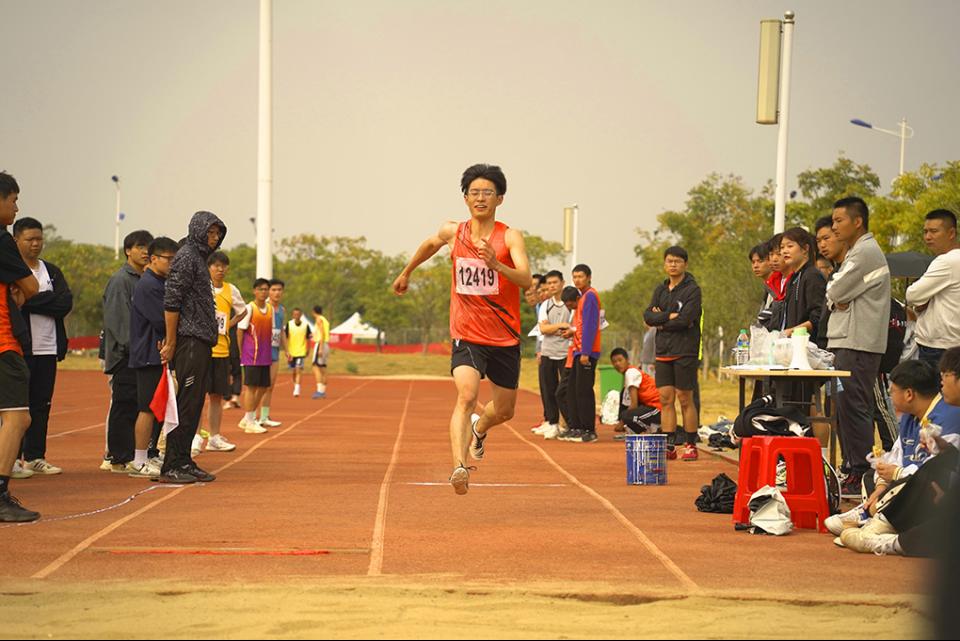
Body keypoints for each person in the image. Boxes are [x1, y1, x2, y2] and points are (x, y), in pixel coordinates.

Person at [392, 163, 532, 494]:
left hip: (504, 336)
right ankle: (458, 466)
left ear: (500, 198)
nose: (480, 198)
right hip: (467, 333)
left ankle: (480, 428)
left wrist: (496, 264)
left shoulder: (510, 236)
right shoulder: (454, 232)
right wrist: (406, 272)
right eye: (474, 192)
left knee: (505, 412)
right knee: (467, 394)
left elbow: (525, 279)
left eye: (487, 193)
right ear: (465, 197)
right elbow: (429, 244)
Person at [826, 359, 960, 537]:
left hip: (933, 490)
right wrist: (882, 484)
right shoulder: (910, 416)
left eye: (892, 391)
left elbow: (937, 470)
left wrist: (896, 474)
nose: (890, 395)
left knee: (916, 482)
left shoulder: (949, 417)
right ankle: (872, 514)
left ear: (909, 394)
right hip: (904, 483)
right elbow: (895, 455)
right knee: (870, 474)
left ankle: (875, 517)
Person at [826, 197, 892, 496]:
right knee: (844, 406)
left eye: (839, 220)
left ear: (857, 221)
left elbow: (836, 289)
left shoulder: (864, 252)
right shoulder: (856, 252)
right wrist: (836, 295)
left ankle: (862, 472)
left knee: (855, 406)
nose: (834, 226)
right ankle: (853, 469)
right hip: (847, 340)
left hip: (858, 342)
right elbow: (835, 295)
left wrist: (837, 294)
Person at [157, 211, 226, 484]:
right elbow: (172, 301)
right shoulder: (186, 256)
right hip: (189, 341)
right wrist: (172, 342)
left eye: (218, 232)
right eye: (210, 232)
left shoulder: (198, 258)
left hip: (200, 341)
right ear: (197, 229)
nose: (215, 237)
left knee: (194, 403)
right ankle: (171, 464)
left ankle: (184, 459)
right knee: (186, 403)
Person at [13, 217, 73, 477]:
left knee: (41, 404)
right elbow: (12, 303)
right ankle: (12, 458)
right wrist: (42, 300)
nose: (36, 244)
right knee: (15, 406)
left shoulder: (51, 271)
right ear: (16, 240)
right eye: (30, 239)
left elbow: (64, 303)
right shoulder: (12, 271)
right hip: (20, 349)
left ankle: (35, 456)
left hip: (48, 349)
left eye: (39, 239)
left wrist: (29, 299)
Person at [0, 171, 41, 522]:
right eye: (13, 200)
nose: (16, 207)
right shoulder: (1, 240)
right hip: (2, 342)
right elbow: (31, 287)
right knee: (18, 417)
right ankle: (0, 495)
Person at [643, 245, 702, 461]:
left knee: (685, 398)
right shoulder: (660, 289)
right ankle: (669, 444)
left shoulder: (692, 290)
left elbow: (686, 319)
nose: (673, 264)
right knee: (665, 398)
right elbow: (648, 316)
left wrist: (661, 320)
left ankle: (690, 443)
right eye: (669, 261)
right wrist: (669, 317)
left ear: (685, 264)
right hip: (663, 351)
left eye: (677, 261)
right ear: (664, 264)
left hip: (685, 350)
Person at [103, 229, 153, 473]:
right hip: (126, 356)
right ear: (127, 250)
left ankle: (134, 455)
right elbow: (118, 321)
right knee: (124, 405)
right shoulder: (121, 280)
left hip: (142, 354)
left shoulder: (146, 278)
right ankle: (118, 457)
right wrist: (131, 349)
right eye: (140, 246)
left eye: (148, 247)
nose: (145, 251)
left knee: (138, 405)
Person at [128, 236, 178, 478]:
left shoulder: (161, 282)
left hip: (158, 354)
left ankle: (150, 453)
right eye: (169, 259)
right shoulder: (148, 285)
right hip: (148, 353)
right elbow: (161, 319)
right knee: (147, 408)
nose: (172, 263)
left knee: (157, 407)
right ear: (154, 258)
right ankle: (138, 460)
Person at [906, 209, 960, 369]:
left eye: (934, 231)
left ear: (951, 233)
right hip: (952, 343)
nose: (928, 237)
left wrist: (921, 302)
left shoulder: (946, 261)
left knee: (935, 393)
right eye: (925, 232)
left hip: (939, 347)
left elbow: (912, 294)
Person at [203, 250, 245, 453]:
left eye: (223, 266)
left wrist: (229, 324)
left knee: (217, 396)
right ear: (208, 267)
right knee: (194, 396)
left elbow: (243, 310)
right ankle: (194, 437)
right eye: (216, 266)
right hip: (202, 349)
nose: (220, 270)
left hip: (221, 350)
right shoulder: (202, 287)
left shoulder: (231, 290)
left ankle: (214, 437)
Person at [559, 264, 602, 443]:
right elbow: (581, 326)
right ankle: (576, 427)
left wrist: (585, 352)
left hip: (587, 352)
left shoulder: (590, 296)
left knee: (584, 391)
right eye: (574, 276)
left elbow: (591, 326)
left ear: (589, 277)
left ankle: (589, 430)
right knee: (574, 390)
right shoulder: (582, 297)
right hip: (578, 350)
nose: (577, 280)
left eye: (580, 276)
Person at [532, 270, 570, 440]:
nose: (552, 286)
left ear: (562, 282)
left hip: (566, 352)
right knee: (549, 389)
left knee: (565, 391)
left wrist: (553, 327)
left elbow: (571, 328)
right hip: (548, 352)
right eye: (549, 283)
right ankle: (553, 423)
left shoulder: (570, 304)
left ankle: (568, 423)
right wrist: (560, 325)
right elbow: (543, 329)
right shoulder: (545, 305)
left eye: (555, 282)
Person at [236, 279, 273, 434]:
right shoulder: (249, 308)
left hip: (265, 355)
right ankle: (251, 421)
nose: (264, 292)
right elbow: (240, 330)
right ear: (254, 291)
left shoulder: (270, 309)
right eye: (261, 289)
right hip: (251, 355)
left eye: (266, 289)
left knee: (263, 387)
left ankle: (247, 417)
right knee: (251, 387)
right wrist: (240, 353)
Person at [609, 347, 661, 436]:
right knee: (624, 403)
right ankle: (635, 430)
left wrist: (621, 423)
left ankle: (653, 430)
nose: (617, 364)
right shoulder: (629, 373)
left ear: (627, 360)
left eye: (620, 360)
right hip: (648, 407)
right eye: (614, 362)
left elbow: (634, 404)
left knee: (627, 416)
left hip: (657, 409)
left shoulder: (631, 373)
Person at [257, 279, 286, 427]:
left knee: (271, 385)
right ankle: (250, 416)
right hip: (263, 350)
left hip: (275, 350)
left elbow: (281, 331)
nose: (277, 293)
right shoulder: (264, 307)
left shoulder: (282, 310)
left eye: (279, 290)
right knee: (260, 384)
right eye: (274, 290)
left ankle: (264, 416)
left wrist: (287, 349)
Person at [285, 307, 312, 397]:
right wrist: (286, 350)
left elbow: (309, 338)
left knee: (298, 369)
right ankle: (295, 384)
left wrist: (308, 349)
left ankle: (297, 388)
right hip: (291, 352)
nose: (296, 316)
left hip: (301, 351)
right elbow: (285, 337)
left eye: (298, 314)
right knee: (293, 371)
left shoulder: (305, 325)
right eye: (295, 314)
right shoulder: (289, 324)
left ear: (301, 315)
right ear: (292, 315)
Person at [310, 305, 330, 399]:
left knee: (315, 366)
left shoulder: (319, 319)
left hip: (320, 344)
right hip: (326, 344)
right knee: (323, 368)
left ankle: (319, 390)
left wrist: (320, 347)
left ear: (313, 311)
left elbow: (322, 333)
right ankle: (322, 390)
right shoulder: (325, 319)